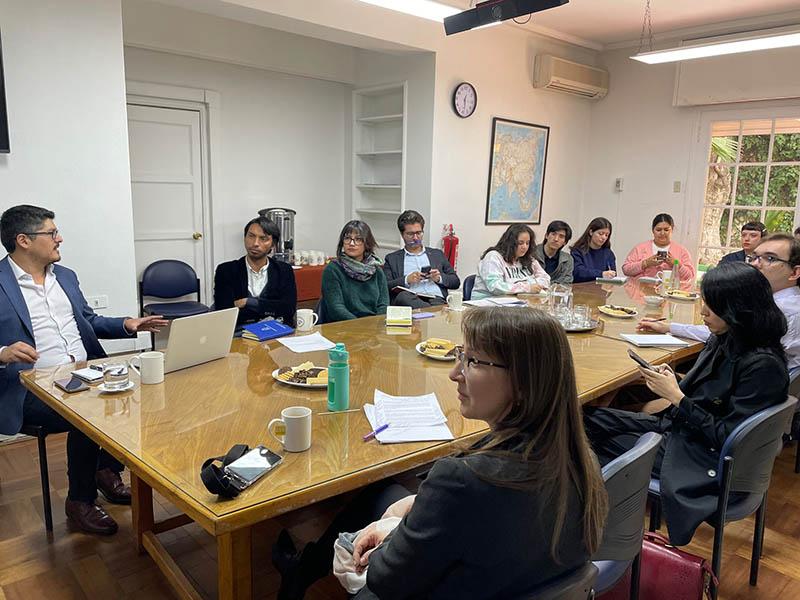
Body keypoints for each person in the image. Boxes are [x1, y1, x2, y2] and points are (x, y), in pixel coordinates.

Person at [273, 307, 608, 599]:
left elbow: (383, 579)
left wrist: (392, 532)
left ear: (523, 383)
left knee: (374, 524)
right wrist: (416, 506)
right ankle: (303, 571)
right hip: (507, 579)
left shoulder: (461, 481)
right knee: (383, 492)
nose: (455, 372)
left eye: (472, 360)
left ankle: (299, 575)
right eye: (461, 355)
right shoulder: (579, 458)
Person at [585, 262, 788, 546]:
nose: (704, 311)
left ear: (739, 309)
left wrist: (677, 397)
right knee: (581, 418)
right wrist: (677, 384)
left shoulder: (762, 365)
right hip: (682, 432)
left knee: (582, 443)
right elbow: (713, 393)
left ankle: (607, 532)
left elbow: (728, 438)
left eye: (712, 306)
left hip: (701, 456)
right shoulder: (729, 338)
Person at [0, 205, 167, 535]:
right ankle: (79, 502)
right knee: (88, 412)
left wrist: (128, 324)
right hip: (29, 385)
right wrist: (3, 352)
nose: (59, 238)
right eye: (51, 233)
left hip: (87, 372)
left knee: (146, 389)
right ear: (24, 240)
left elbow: (88, 322)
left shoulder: (65, 276)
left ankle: (105, 469)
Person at [639, 233, 800, 377]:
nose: (756, 264)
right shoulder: (777, 302)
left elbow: (724, 332)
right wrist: (669, 327)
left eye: (770, 258)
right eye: (754, 257)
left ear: (794, 272)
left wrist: (669, 328)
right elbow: (726, 329)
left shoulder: (781, 311)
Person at [213, 216, 297, 327]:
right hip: (239, 333)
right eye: (251, 236)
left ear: (273, 244)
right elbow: (224, 312)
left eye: (263, 238)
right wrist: (270, 307)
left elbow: (288, 309)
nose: (255, 243)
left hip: (276, 331)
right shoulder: (226, 271)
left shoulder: (284, 270)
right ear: (245, 238)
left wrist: (248, 302)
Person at [382, 210, 460, 308]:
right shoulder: (392, 259)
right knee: (403, 297)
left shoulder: (437, 254)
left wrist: (439, 278)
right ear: (402, 235)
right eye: (410, 234)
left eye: (419, 233)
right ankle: (432, 313)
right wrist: (406, 280)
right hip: (410, 300)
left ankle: (431, 313)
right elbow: (384, 286)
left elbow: (456, 282)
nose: (415, 238)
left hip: (437, 299)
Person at [320, 221, 389, 322]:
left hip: (374, 326)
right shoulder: (333, 269)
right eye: (347, 238)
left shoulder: (376, 270)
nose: (351, 243)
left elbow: (384, 305)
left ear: (367, 243)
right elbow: (336, 308)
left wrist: (375, 324)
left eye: (358, 239)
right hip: (343, 327)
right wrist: (360, 325)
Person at [471, 224, 550, 299]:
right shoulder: (493, 257)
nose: (525, 247)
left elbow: (545, 278)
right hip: (488, 305)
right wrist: (526, 287)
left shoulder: (528, 259)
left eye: (527, 243)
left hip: (518, 303)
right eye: (520, 243)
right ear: (510, 243)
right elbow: (495, 287)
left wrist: (533, 285)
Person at [621, 213, 696, 283]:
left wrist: (676, 264)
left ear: (672, 230)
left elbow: (689, 276)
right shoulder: (640, 248)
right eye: (658, 230)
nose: (662, 233)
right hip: (641, 293)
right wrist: (645, 263)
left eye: (666, 230)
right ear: (653, 231)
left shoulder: (682, 251)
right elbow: (626, 269)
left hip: (670, 294)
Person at [570, 217, 617, 283]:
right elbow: (578, 272)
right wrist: (601, 274)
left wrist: (611, 275)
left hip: (602, 289)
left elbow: (613, 274)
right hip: (581, 289)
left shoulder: (608, 253)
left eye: (606, 235)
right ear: (591, 232)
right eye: (600, 234)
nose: (604, 237)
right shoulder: (577, 251)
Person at [533, 220, 574, 284]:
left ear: (565, 242)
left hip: (557, 292)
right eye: (553, 234)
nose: (556, 239)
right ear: (546, 235)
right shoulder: (532, 253)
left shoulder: (567, 259)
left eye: (561, 236)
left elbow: (567, 282)